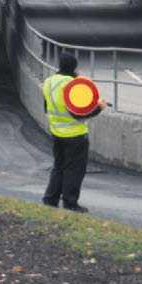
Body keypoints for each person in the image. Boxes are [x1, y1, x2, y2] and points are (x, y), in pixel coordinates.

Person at [42, 52, 107, 213]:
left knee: (58, 166)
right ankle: (70, 203)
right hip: (75, 135)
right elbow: (78, 113)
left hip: (57, 133)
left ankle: (50, 199)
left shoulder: (48, 82)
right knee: (74, 169)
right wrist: (98, 108)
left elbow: (46, 108)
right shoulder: (73, 85)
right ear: (74, 67)